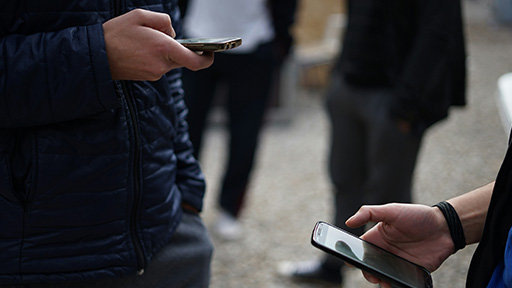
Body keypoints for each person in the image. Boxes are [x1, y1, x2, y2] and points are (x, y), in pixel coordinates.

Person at [0, 1, 215, 287]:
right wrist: (97, 56)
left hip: (169, 238)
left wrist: (188, 190)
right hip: (35, 254)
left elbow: (169, 71)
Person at [280, 0, 466, 284]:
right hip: (349, 85)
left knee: (390, 198)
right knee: (344, 181)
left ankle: (396, 279)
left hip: (394, 97)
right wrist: (337, 80)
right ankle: (333, 266)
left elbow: (437, 33)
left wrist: (406, 106)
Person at [178, 0, 297, 240]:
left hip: (253, 39)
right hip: (195, 35)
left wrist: (283, 40)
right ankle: (184, 204)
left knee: (246, 133)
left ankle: (230, 208)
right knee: (185, 130)